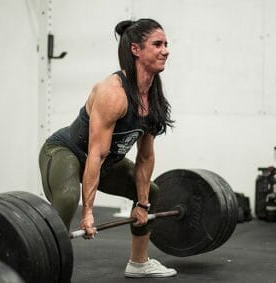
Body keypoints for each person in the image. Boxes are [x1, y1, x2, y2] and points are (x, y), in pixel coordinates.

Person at [39, 18, 176, 278]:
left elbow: (145, 156)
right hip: (64, 152)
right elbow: (96, 153)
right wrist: (88, 213)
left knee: (152, 192)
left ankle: (139, 263)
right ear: (136, 49)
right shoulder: (113, 93)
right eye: (157, 44)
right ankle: (47, 267)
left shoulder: (153, 95)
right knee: (69, 198)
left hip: (106, 161)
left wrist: (143, 205)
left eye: (166, 44)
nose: (166, 50)